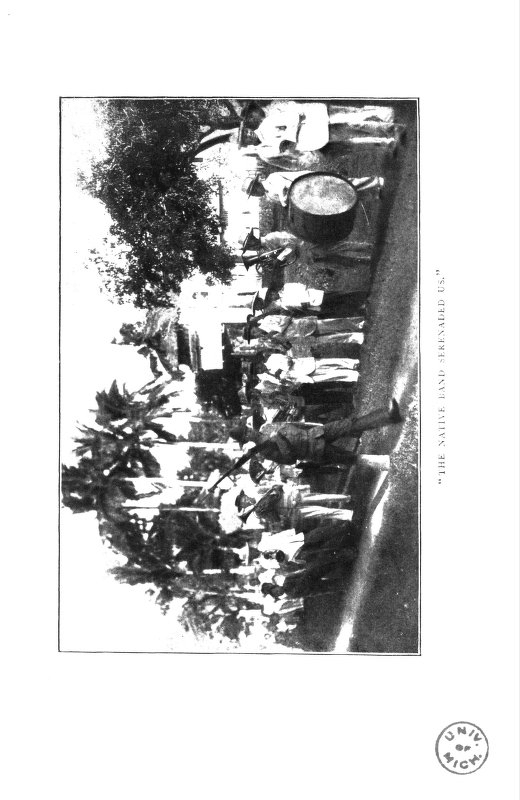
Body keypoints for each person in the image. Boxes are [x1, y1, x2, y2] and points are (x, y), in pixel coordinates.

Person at [228, 399, 403, 466]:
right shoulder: (265, 451)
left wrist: (314, 426)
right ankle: (386, 464)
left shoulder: (266, 427)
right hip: (314, 450)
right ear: (246, 439)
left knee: (350, 425)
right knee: (350, 458)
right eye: (246, 434)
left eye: (247, 429)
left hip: (317, 433)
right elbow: (289, 460)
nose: (250, 432)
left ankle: (389, 416)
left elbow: (294, 425)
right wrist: (280, 440)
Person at [239, 101, 397, 157]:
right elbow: (286, 150)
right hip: (313, 138)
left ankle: (390, 128)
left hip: (314, 120)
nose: (248, 134)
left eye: (245, 131)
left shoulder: (266, 124)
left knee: (353, 122)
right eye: (245, 137)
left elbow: (293, 117)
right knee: (351, 135)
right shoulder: (264, 146)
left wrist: (288, 137)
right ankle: (386, 140)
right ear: (246, 143)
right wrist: (288, 142)